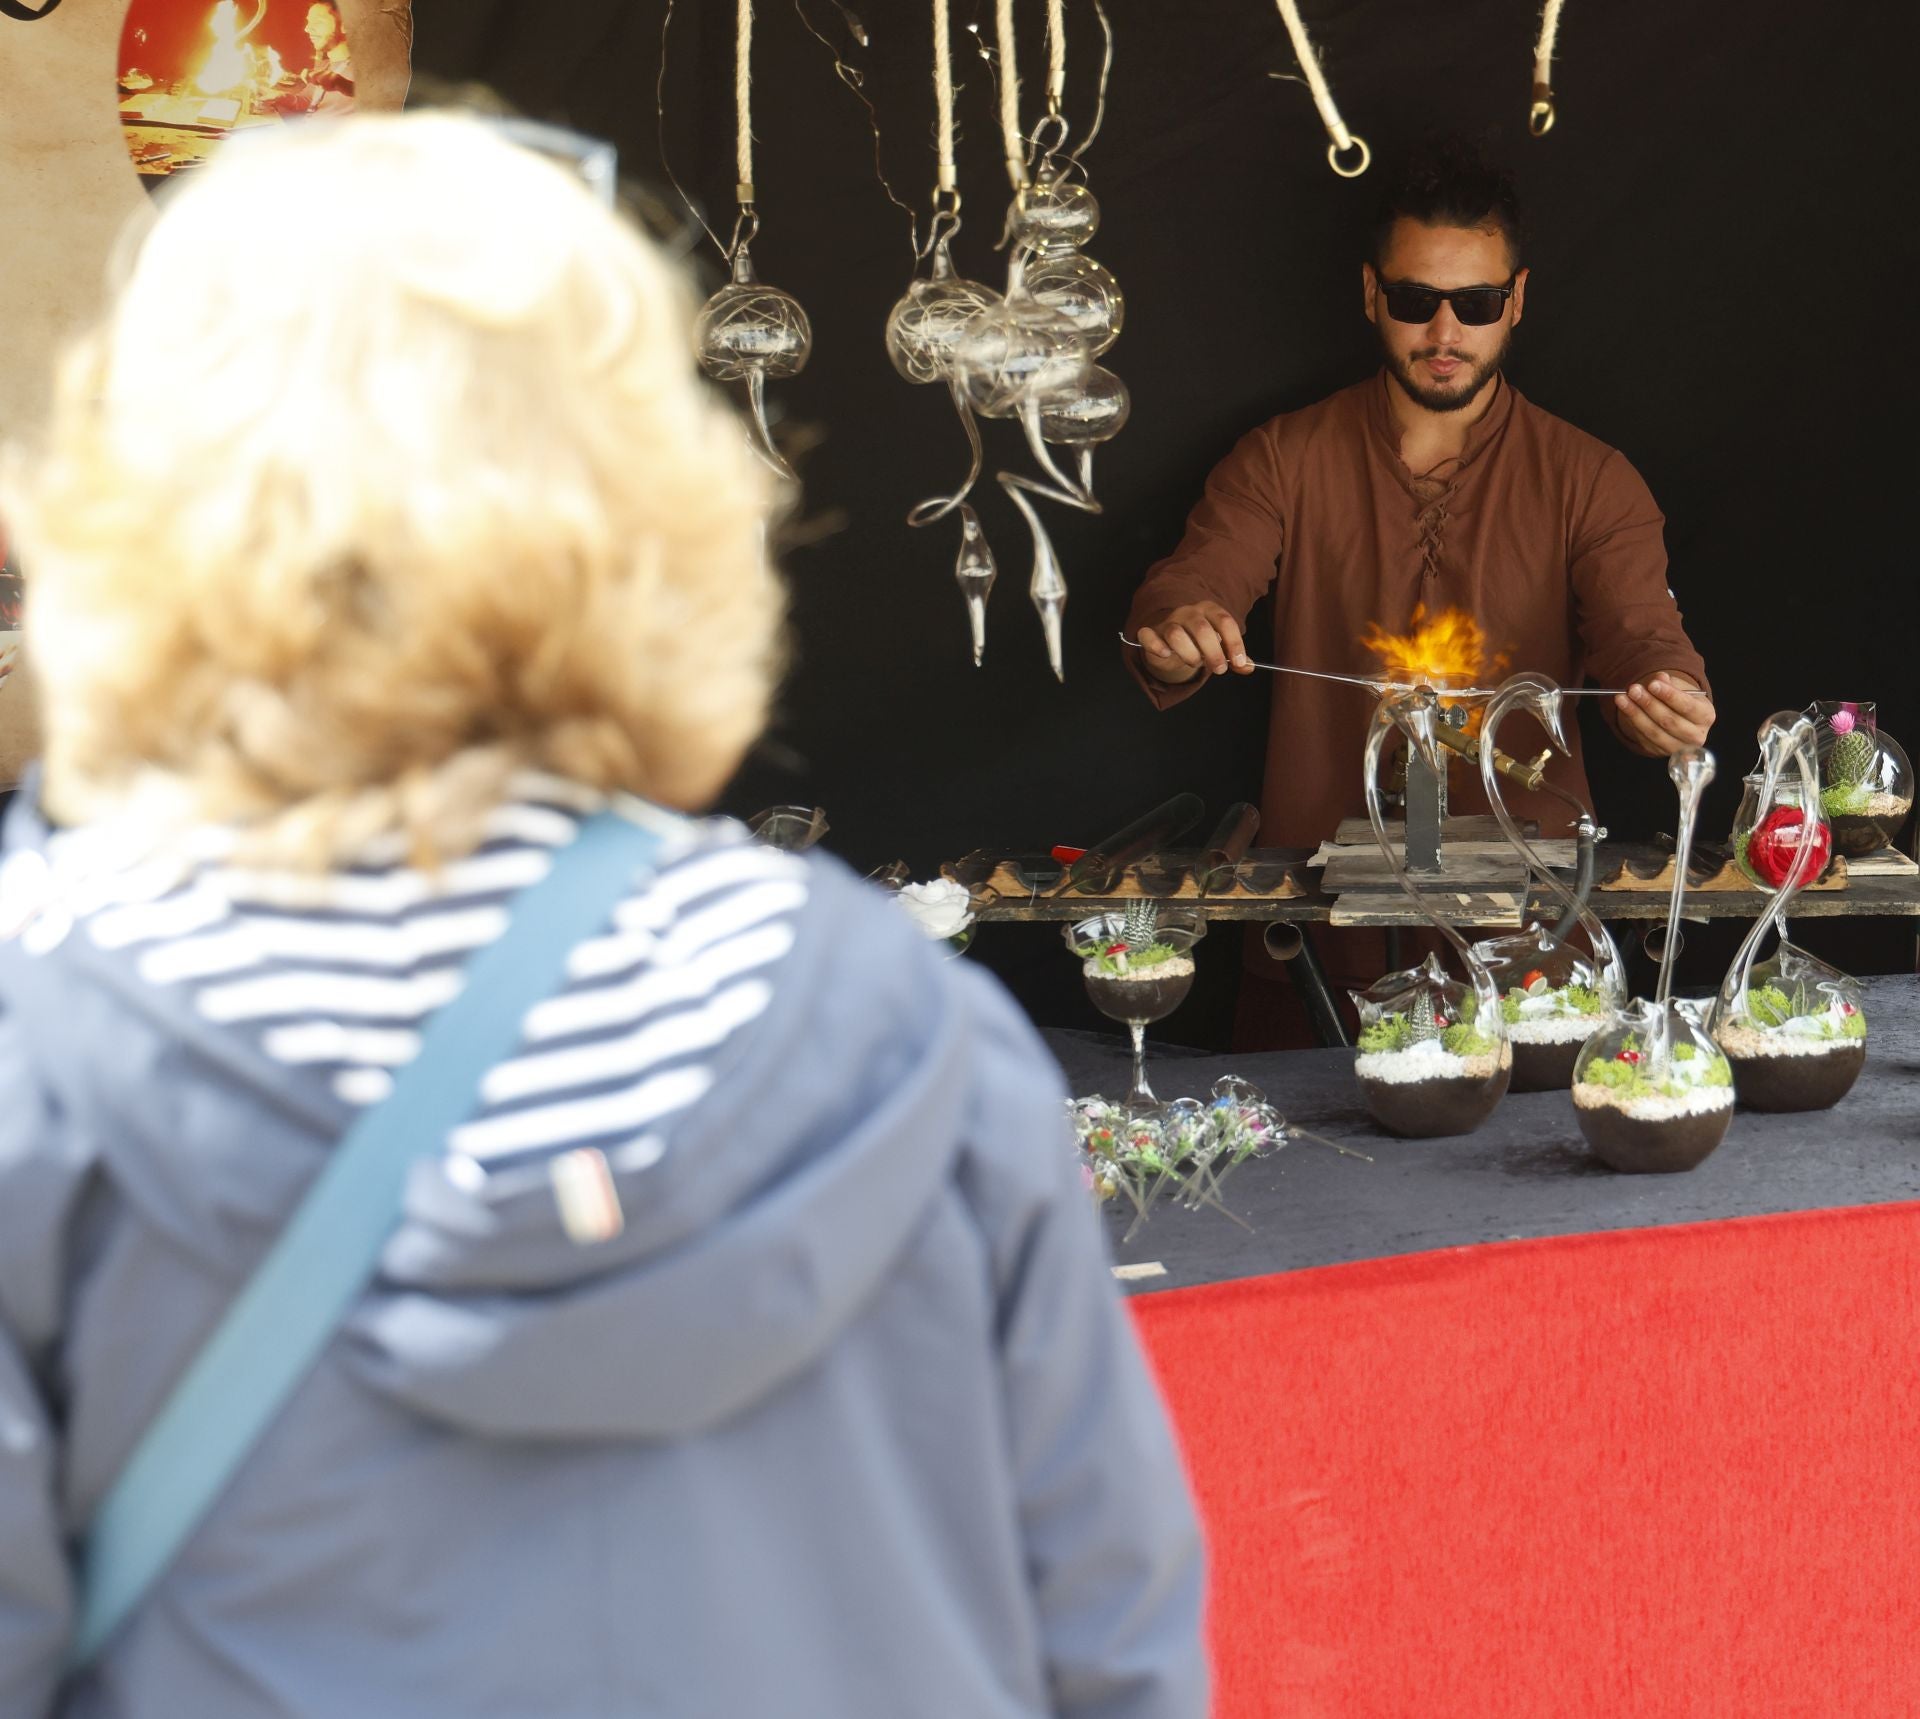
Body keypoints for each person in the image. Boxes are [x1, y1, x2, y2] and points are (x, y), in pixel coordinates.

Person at [0, 114, 1206, 1717]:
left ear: (138, 504)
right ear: (651, 496)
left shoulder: (45, 1056)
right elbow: (1114, 1653)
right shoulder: (903, 1026)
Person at [1123, 137, 1714, 1046]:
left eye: (1475, 304)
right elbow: (1198, 581)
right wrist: (1183, 623)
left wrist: (1663, 699)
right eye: (1414, 301)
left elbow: (1642, 634)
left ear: (1515, 301)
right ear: (1371, 295)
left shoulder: (1591, 478)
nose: (1445, 335)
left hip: (1530, 955)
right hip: (1319, 952)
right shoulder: (1285, 456)